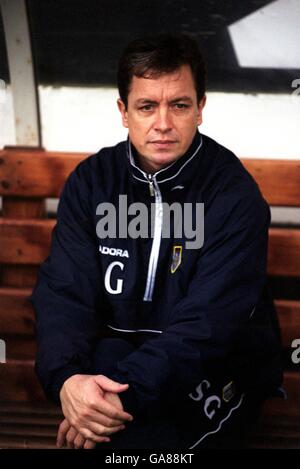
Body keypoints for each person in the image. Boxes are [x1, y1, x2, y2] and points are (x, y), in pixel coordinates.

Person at [31, 34, 283, 450]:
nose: (163, 123)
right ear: (123, 111)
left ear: (200, 108)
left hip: (210, 373)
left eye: (179, 105)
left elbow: (208, 329)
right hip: (110, 366)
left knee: (131, 440)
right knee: (112, 383)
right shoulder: (92, 183)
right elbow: (64, 294)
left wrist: (106, 403)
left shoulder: (233, 195)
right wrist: (69, 381)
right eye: (147, 106)